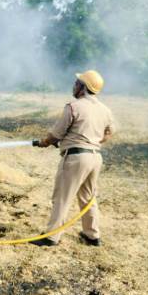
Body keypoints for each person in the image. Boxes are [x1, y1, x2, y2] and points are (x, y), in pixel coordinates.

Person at [31, 70, 114, 247]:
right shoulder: (105, 110)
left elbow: (56, 134)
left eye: (77, 83)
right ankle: (92, 236)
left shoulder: (73, 106)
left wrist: (45, 142)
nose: (74, 85)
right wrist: (94, 141)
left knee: (62, 196)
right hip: (95, 158)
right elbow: (109, 132)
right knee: (88, 197)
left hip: (76, 158)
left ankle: (51, 237)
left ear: (83, 88)